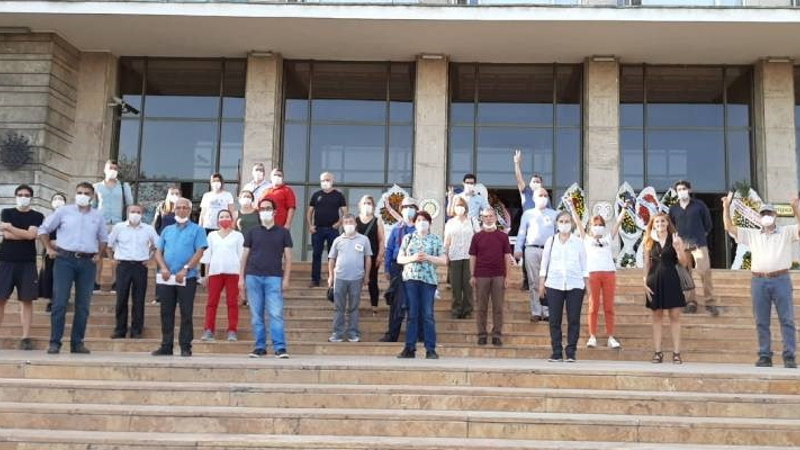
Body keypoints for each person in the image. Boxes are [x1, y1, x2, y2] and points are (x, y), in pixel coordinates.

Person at [722, 194, 798, 369]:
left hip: (781, 279)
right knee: (761, 321)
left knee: (787, 319)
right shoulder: (752, 234)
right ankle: (765, 355)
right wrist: (726, 207)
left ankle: (789, 356)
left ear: (775, 215)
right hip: (759, 280)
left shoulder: (786, 232)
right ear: (760, 216)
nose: (766, 216)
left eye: (769, 213)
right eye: (763, 213)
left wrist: (795, 208)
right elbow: (729, 227)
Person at [39, 182, 108, 354]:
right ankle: (55, 342)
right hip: (65, 260)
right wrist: (48, 248)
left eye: (86, 193)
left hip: (87, 262)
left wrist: (99, 255)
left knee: (83, 305)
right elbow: (44, 229)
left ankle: (77, 343)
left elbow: (103, 238)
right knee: (60, 302)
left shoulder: (98, 216)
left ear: (92, 196)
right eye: (79, 192)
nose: (82, 195)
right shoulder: (63, 211)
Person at [151, 197, 207, 357]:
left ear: (190, 210)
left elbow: (199, 252)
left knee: (186, 313)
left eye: (185, 208)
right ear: (174, 210)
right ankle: (166, 346)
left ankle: (185, 346)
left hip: (187, 278)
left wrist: (186, 269)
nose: (181, 210)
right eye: (178, 207)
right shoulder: (167, 230)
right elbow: (158, 251)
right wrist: (163, 267)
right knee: (166, 312)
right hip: (167, 277)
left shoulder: (198, 230)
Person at [240, 197, 293, 359]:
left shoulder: (283, 232)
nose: (265, 211)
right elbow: (244, 256)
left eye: (268, 208)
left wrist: (286, 279)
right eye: (262, 209)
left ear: (274, 212)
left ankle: (280, 347)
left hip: (274, 277)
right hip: (253, 276)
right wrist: (241, 278)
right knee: (256, 315)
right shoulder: (252, 232)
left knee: (276, 313)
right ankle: (260, 347)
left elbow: (288, 258)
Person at [396, 211, 446, 360]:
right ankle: (409, 348)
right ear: (414, 223)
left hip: (429, 281)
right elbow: (400, 259)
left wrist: (428, 257)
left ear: (430, 223)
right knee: (412, 314)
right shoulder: (408, 238)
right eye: (418, 220)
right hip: (411, 279)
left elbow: (444, 260)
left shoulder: (436, 239)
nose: (421, 222)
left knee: (428, 315)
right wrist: (413, 257)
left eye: (425, 220)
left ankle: (430, 349)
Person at [0, 184, 45, 350]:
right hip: (6, 261)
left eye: (26, 195)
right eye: (20, 194)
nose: (23, 197)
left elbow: (31, 235)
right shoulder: (7, 212)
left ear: (31, 197)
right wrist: (23, 234)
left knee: (26, 300)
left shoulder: (37, 215)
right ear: (15, 196)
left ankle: (25, 337)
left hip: (27, 263)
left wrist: (10, 227)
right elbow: (7, 235)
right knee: (1, 299)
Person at [539, 211, 588, 363]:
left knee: (574, 319)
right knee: (554, 320)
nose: (564, 224)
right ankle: (557, 352)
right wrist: (541, 283)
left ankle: (571, 352)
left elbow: (584, 265)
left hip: (575, 284)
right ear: (556, 223)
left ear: (572, 224)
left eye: (567, 221)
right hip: (554, 283)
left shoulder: (578, 242)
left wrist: (587, 286)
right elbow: (544, 263)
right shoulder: (551, 241)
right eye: (561, 221)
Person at [643, 213, 689, 365]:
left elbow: (684, 262)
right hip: (654, 280)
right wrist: (644, 282)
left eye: (663, 221)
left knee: (675, 316)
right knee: (657, 316)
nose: (660, 224)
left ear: (668, 223)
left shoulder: (675, 238)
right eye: (657, 222)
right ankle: (658, 352)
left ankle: (676, 353)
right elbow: (646, 263)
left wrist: (678, 249)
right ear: (653, 225)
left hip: (672, 279)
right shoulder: (649, 240)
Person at [108, 204, 159, 339]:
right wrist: (111, 259)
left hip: (140, 266)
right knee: (121, 298)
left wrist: (150, 259)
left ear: (142, 214)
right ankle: (120, 329)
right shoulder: (119, 227)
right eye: (132, 211)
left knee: (139, 299)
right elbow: (109, 243)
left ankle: (136, 330)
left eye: (138, 212)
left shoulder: (148, 229)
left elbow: (158, 245)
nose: (135, 214)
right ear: (127, 212)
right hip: (123, 265)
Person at [572, 211, 622, 349]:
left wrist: (624, 209)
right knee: (593, 306)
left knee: (609, 307)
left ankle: (611, 337)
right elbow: (578, 222)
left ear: (604, 227)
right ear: (591, 227)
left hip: (609, 274)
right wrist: (572, 206)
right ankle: (592, 336)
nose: (598, 227)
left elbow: (618, 223)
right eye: (595, 225)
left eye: (600, 225)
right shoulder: (586, 239)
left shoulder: (608, 238)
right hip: (592, 275)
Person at [668, 180, 718, 316]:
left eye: (684, 188)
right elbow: (671, 227)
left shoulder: (699, 205)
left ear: (689, 190)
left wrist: (700, 236)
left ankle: (710, 302)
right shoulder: (673, 209)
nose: (681, 191)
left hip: (698, 244)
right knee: (685, 274)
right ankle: (691, 302)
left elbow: (708, 224)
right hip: (682, 246)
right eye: (679, 189)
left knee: (704, 271)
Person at [469, 207, 513, 347]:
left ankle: (496, 335)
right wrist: (472, 275)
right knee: (481, 307)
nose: (488, 219)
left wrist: (508, 277)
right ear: (482, 218)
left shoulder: (503, 237)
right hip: (481, 275)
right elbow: (472, 257)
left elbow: (507, 257)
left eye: (491, 216)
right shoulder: (476, 237)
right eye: (486, 216)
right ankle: (482, 334)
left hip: (498, 275)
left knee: (498, 307)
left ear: (495, 217)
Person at [379, 197, 421, 343]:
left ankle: (417, 335)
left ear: (416, 209)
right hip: (397, 267)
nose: (408, 210)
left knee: (415, 302)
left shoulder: (419, 228)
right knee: (397, 302)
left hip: (415, 267)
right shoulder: (396, 229)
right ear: (401, 210)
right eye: (405, 207)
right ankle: (392, 335)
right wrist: (387, 268)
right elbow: (390, 249)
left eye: (411, 207)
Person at [514, 188, 557, 322]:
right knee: (533, 282)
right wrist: (518, 248)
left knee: (549, 281)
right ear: (534, 198)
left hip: (549, 250)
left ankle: (547, 311)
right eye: (540, 195)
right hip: (531, 249)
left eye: (545, 195)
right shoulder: (528, 214)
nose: (543, 197)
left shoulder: (554, 214)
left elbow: (558, 234)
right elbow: (522, 232)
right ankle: (536, 311)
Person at [327, 214, 372, 343]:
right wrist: (331, 276)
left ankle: (353, 333)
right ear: (342, 225)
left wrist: (367, 275)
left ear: (355, 224)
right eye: (346, 222)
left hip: (357, 278)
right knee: (339, 307)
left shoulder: (364, 239)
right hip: (340, 277)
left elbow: (368, 258)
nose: (349, 224)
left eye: (351, 222)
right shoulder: (338, 240)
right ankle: (337, 333)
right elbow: (331, 259)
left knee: (354, 307)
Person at [202, 210, 243, 342]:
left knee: (232, 303)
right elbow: (208, 255)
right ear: (217, 220)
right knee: (211, 302)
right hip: (215, 272)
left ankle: (232, 330)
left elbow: (242, 256)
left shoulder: (238, 236)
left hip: (233, 272)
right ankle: (209, 330)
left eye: (227, 216)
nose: (224, 218)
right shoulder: (212, 236)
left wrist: (242, 276)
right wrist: (206, 275)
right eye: (221, 216)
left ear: (231, 219)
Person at [93, 159, 134, 293]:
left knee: (116, 255)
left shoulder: (123, 186)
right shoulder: (96, 187)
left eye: (115, 168)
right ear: (105, 170)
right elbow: (93, 206)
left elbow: (129, 205)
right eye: (110, 168)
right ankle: (96, 282)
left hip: (117, 224)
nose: (113, 170)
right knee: (98, 253)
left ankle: (116, 282)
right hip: (100, 223)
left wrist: (129, 223)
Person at [307, 172, 347, 288]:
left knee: (333, 255)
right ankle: (315, 280)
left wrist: (339, 223)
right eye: (323, 180)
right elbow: (309, 212)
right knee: (316, 254)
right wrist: (310, 225)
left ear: (332, 181)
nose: (325, 182)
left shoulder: (339, 195)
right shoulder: (316, 195)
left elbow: (345, 212)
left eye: (327, 180)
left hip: (332, 230)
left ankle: (333, 279)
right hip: (318, 230)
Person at [199, 173, 235, 280]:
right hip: (207, 226)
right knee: (206, 251)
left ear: (221, 182)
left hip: (222, 227)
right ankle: (204, 276)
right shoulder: (207, 195)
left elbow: (231, 211)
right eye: (213, 181)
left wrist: (232, 226)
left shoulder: (227, 195)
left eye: (218, 181)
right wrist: (200, 227)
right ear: (210, 183)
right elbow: (203, 212)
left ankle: (219, 273)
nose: (216, 183)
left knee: (220, 250)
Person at [444, 196, 474, 319]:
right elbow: (446, 241)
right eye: (457, 205)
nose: (459, 208)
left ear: (465, 207)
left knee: (468, 285)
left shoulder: (472, 221)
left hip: (469, 257)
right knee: (455, 285)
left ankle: (468, 310)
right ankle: (456, 309)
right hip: (454, 256)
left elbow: (477, 238)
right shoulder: (450, 223)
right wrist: (446, 255)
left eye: (461, 205)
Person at [356, 195, 385, 317]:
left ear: (373, 206)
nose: (367, 205)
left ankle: (374, 307)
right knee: (356, 281)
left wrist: (380, 255)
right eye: (364, 203)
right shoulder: (355, 220)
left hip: (373, 255)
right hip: (357, 256)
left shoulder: (377, 220)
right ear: (360, 205)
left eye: (369, 203)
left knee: (373, 280)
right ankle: (354, 306)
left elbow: (381, 240)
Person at [39, 192, 67, 313]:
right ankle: (51, 300)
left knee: (64, 277)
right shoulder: (48, 218)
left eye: (60, 198)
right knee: (50, 275)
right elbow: (42, 233)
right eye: (55, 199)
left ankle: (63, 299)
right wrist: (49, 244)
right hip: (50, 250)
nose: (57, 201)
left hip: (66, 251)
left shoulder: (69, 218)